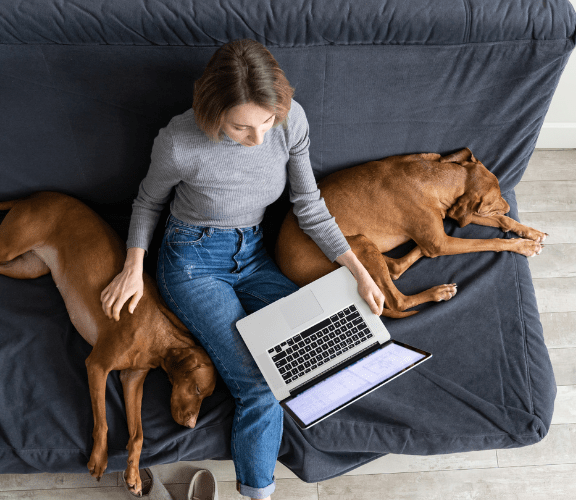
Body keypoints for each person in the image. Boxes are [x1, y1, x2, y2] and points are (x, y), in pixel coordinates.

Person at [100, 38, 384, 500]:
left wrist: (357, 271)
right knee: (260, 384)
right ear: (213, 113)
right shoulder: (178, 141)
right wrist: (134, 267)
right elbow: (148, 201)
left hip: (253, 256)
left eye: (267, 121)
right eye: (241, 127)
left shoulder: (290, 123)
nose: (259, 139)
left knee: (321, 342)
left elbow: (309, 206)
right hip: (193, 263)